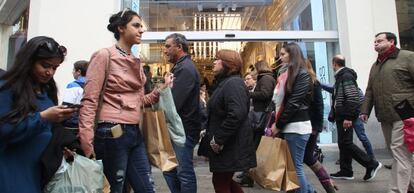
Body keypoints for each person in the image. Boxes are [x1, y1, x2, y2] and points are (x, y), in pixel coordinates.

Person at [78, 9, 172, 193]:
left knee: (146, 188)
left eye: (141, 26)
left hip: (133, 131)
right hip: (111, 131)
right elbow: (90, 99)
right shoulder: (104, 55)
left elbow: (139, 101)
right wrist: (87, 141)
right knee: (115, 188)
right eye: (136, 25)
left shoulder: (134, 59)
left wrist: (160, 90)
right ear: (121, 28)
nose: (141, 30)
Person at [0, 36, 75, 193]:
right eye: (45, 65)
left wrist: (60, 147)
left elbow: (45, 131)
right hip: (10, 173)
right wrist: (43, 117)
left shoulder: (47, 91)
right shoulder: (8, 87)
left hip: (38, 172)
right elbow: (5, 129)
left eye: (55, 68)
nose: (49, 72)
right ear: (29, 61)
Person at [361, 32, 414, 193]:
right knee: (397, 152)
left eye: (379, 41)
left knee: (399, 151)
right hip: (384, 114)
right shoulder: (376, 65)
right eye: (374, 41)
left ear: (391, 41)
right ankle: (410, 185)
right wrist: (365, 111)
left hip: (405, 112)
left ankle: (396, 190)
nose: (375, 44)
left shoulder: (407, 57)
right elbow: (370, 90)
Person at [206, 49, 256, 193]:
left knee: (221, 180)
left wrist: (218, 139)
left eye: (217, 59)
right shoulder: (227, 82)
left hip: (230, 144)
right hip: (228, 143)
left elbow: (236, 114)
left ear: (227, 64)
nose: (214, 62)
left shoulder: (233, 83)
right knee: (223, 180)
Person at [328, 55, 382, 181]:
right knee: (343, 143)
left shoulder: (346, 76)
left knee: (346, 143)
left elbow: (352, 98)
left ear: (334, 64)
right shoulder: (342, 76)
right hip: (342, 116)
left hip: (345, 116)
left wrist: (348, 117)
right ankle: (346, 171)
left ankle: (371, 163)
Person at [271, 42, 314, 193]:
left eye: (283, 54)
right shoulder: (287, 73)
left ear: (293, 54)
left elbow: (293, 103)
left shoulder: (301, 74)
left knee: (296, 168)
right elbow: (281, 102)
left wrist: (278, 124)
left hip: (297, 126)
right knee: (294, 167)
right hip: (291, 125)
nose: (280, 57)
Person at [162, 33, 201, 193]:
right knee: (170, 169)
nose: (165, 50)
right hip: (178, 128)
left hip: (183, 130)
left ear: (179, 47)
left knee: (182, 172)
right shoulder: (180, 67)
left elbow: (174, 102)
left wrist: (163, 90)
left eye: (168, 46)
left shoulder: (185, 69)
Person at [304, 60, 338, 193]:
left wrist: (316, 127)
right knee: (307, 157)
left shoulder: (313, 83)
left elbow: (319, 106)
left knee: (305, 157)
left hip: (310, 126)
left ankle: (323, 186)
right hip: (309, 125)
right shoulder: (312, 82)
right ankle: (328, 185)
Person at [320, 83, 376, 160]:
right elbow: (329, 87)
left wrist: (361, 113)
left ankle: (371, 157)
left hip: (355, 116)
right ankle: (344, 158)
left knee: (361, 137)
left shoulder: (353, 88)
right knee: (345, 139)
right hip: (345, 117)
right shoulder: (338, 88)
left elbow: (362, 101)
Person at [61, 60, 88, 130]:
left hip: (72, 126)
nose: (72, 72)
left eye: (73, 70)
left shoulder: (73, 86)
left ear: (78, 72)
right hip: (87, 124)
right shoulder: (92, 86)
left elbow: (66, 107)